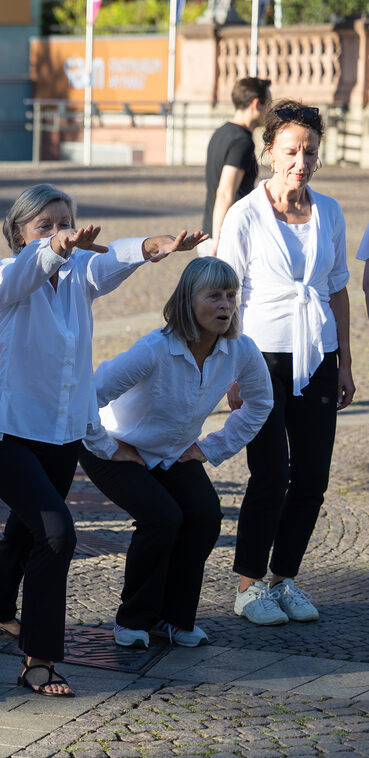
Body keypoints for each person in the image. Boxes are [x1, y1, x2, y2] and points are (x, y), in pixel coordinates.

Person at [0, 183, 206, 697]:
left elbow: (113, 260)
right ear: (18, 234)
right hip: (7, 438)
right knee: (58, 534)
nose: (61, 232)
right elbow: (33, 267)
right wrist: (53, 248)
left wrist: (151, 247)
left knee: (31, 530)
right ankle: (39, 658)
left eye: (66, 222)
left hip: (59, 439)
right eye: (45, 225)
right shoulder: (7, 278)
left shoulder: (80, 277)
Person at [79, 257, 273, 649]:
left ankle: (172, 619)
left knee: (203, 517)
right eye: (213, 295)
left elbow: (260, 403)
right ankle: (132, 619)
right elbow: (86, 396)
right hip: (110, 448)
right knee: (163, 518)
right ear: (188, 300)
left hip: (171, 454)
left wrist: (209, 448)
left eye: (230, 296)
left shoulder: (241, 350)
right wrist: (108, 444)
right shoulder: (154, 349)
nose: (224, 305)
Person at [218, 100, 355, 626]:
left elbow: (337, 289)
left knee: (314, 477)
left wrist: (343, 362)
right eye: (292, 150)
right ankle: (249, 585)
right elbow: (224, 294)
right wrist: (230, 367)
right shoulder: (245, 214)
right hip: (260, 357)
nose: (301, 160)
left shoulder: (330, 212)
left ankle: (284, 578)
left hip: (316, 354)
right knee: (270, 472)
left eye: (311, 151)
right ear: (270, 151)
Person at [201, 77, 272, 256]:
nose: (270, 112)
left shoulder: (220, 132)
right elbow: (225, 192)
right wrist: (218, 241)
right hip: (226, 238)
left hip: (210, 230)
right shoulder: (242, 141)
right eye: (269, 105)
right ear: (256, 104)